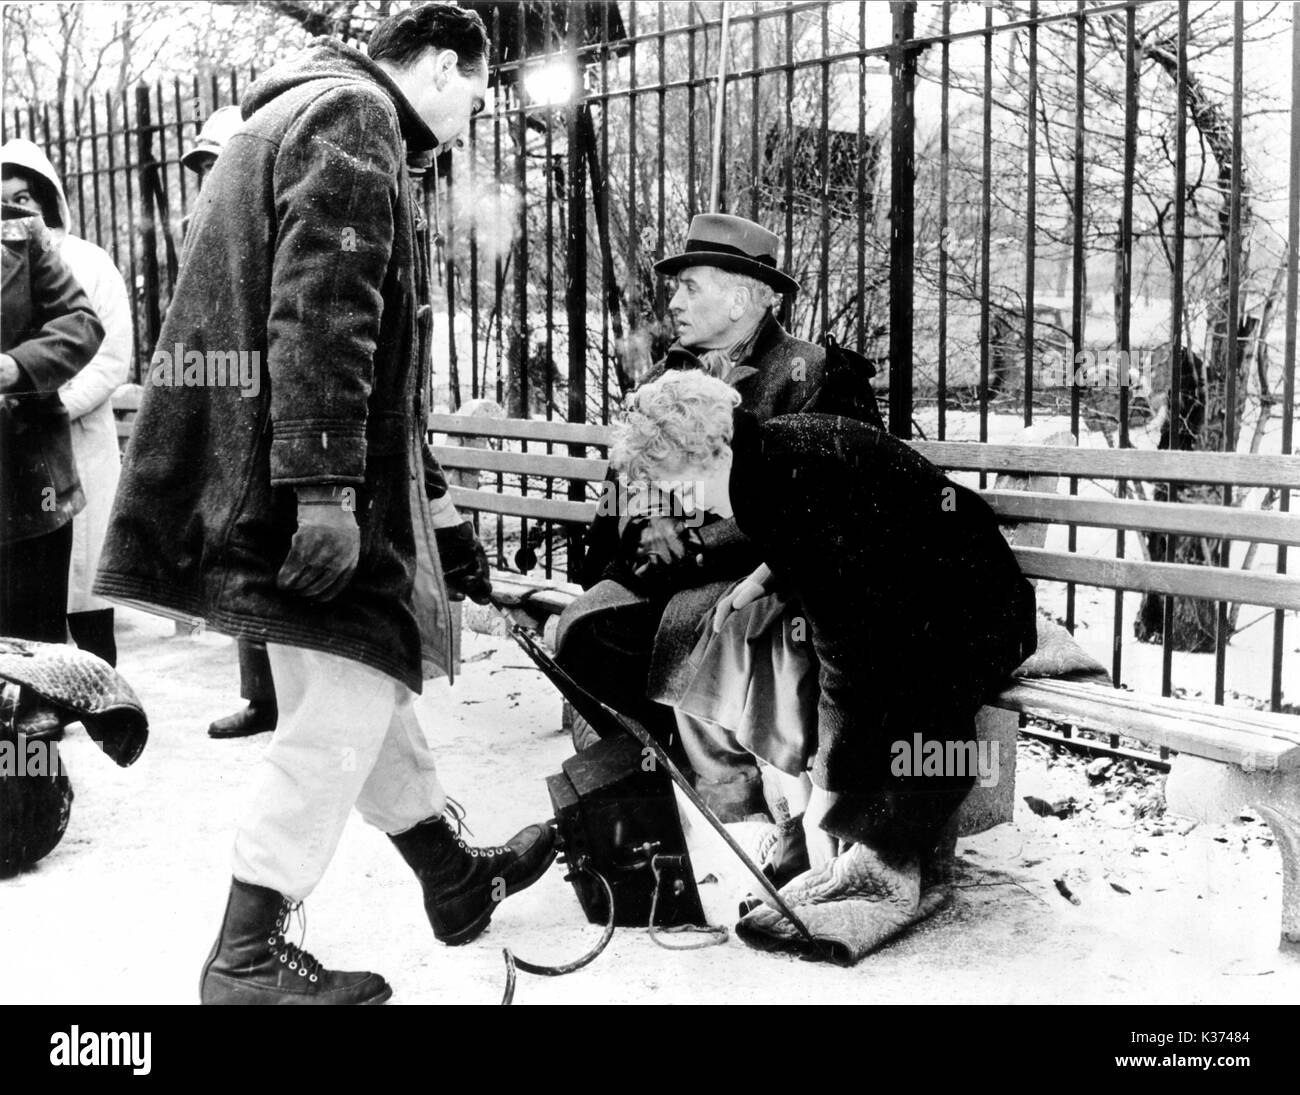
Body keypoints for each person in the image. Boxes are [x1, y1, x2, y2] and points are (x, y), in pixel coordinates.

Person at [95, 3, 555, 1005]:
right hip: (290, 487)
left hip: (250, 473)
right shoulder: (355, 116)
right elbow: (323, 313)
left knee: (353, 680)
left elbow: (341, 342)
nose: (478, 111)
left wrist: (418, 509)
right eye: (478, 88)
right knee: (336, 712)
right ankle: (246, 962)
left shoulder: (287, 112)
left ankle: (452, 876)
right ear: (441, 64)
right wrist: (326, 493)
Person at [606, 369, 1038, 961]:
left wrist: (830, 789)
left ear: (706, 451)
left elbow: (848, 658)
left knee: (896, 688)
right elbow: (818, 544)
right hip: (922, 582)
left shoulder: (782, 478)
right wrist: (755, 582)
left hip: (971, 608)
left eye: (673, 483)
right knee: (772, 638)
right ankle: (830, 832)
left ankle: (880, 855)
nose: (676, 505)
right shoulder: (763, 456)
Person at [556, 212, 882, 813]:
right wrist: (647, 519)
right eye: (674, 287)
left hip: (758, 579)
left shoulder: (814, 375)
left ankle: (735, 801)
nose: (673, 301)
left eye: (689, 286)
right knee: (583, 629)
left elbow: (825, 507)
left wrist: (706, 546)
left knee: (667, 635)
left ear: (739, 299)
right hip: (669, 573)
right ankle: (676, 779)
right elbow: (626, 480)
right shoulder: (667, 374)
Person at [2, 140, 133, 666]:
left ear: (49, 201)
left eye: (25, 197)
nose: (16, 209)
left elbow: (109, 354)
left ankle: (98, 688)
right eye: (4, 197)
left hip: (75, 436)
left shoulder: (88, 261)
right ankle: (39, 706)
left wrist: (43, 396)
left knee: (87, 587)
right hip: (19, 449)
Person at [175, 105, 280, 738]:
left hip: (274, 401)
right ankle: (261, 696)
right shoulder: (197, 225)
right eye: (203, 166)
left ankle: (295, 695)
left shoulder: (276, 211)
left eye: (220, 162)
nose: (211, 176)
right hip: (225, 401)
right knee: (241, 548)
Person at [1, 201, 105, 644]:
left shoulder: (19, 231)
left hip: (27, 484)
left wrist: (16, 367)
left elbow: (81, 323)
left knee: (34, 654)